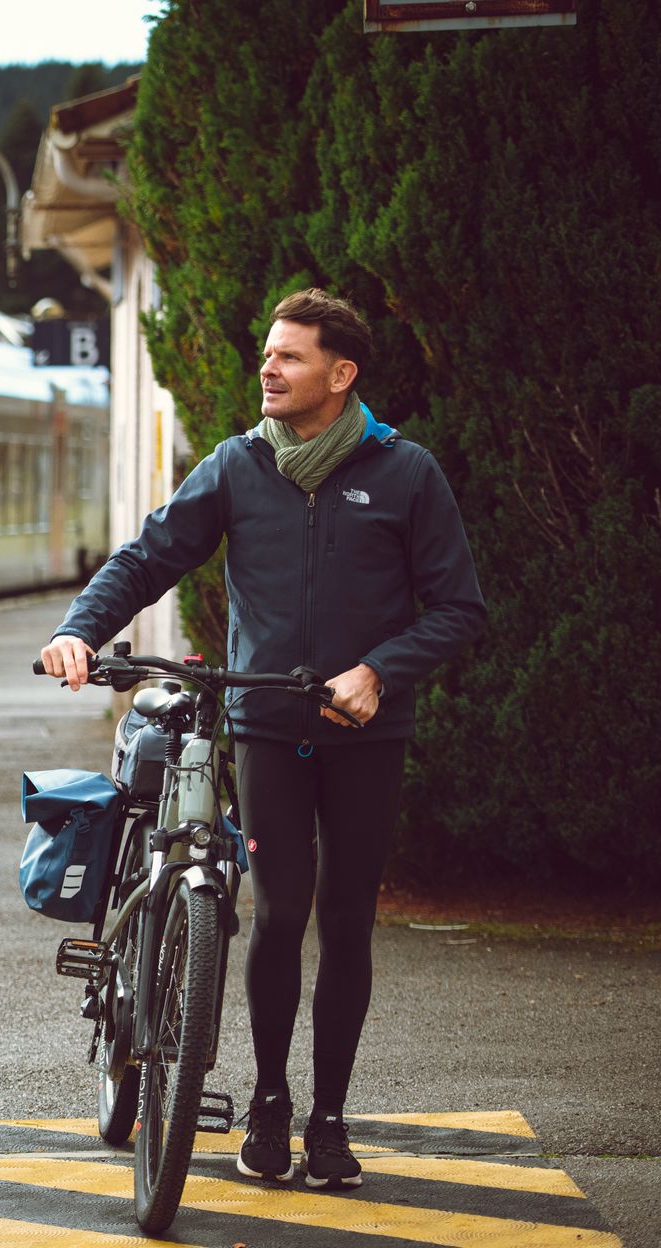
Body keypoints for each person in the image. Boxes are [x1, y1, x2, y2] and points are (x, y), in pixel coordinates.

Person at [39, 289, 484, 1190]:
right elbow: (149, 557)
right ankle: (270, 1107)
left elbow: (460, 610)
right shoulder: (238, 466)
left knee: (347, 923)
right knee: (280, 913)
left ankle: (330, 1120)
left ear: (340, 373)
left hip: (367, 733)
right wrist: (81, 628)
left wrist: (379, 670)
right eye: (267, 354)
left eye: (289, 357)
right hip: (268, 731)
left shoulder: (405, 473)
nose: (268, 369)